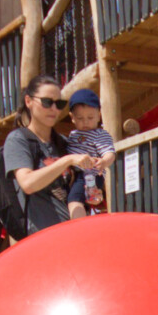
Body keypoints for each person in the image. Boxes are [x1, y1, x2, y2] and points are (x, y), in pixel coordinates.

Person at [2, 76, 96, 237]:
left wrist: (93, 193)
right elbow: (28, 183)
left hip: (75, 235)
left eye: (59, 104)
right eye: (47, 102)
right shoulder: (18, 140)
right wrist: (67, 160)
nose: (54, 109)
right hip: (42, 240)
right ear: (28, 101)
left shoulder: (63, 143)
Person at [63, 89, 116, 219]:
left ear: (99, 115)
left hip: (90, 174)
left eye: (90, 118)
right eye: (80, 118)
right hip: (77, 174)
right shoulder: (73, 134)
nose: (85, 122)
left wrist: (104, 162)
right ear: (72, 118)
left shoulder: (100, 134)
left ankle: (79, 224)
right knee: (84, 199)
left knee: (74, 200)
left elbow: (110, 152)